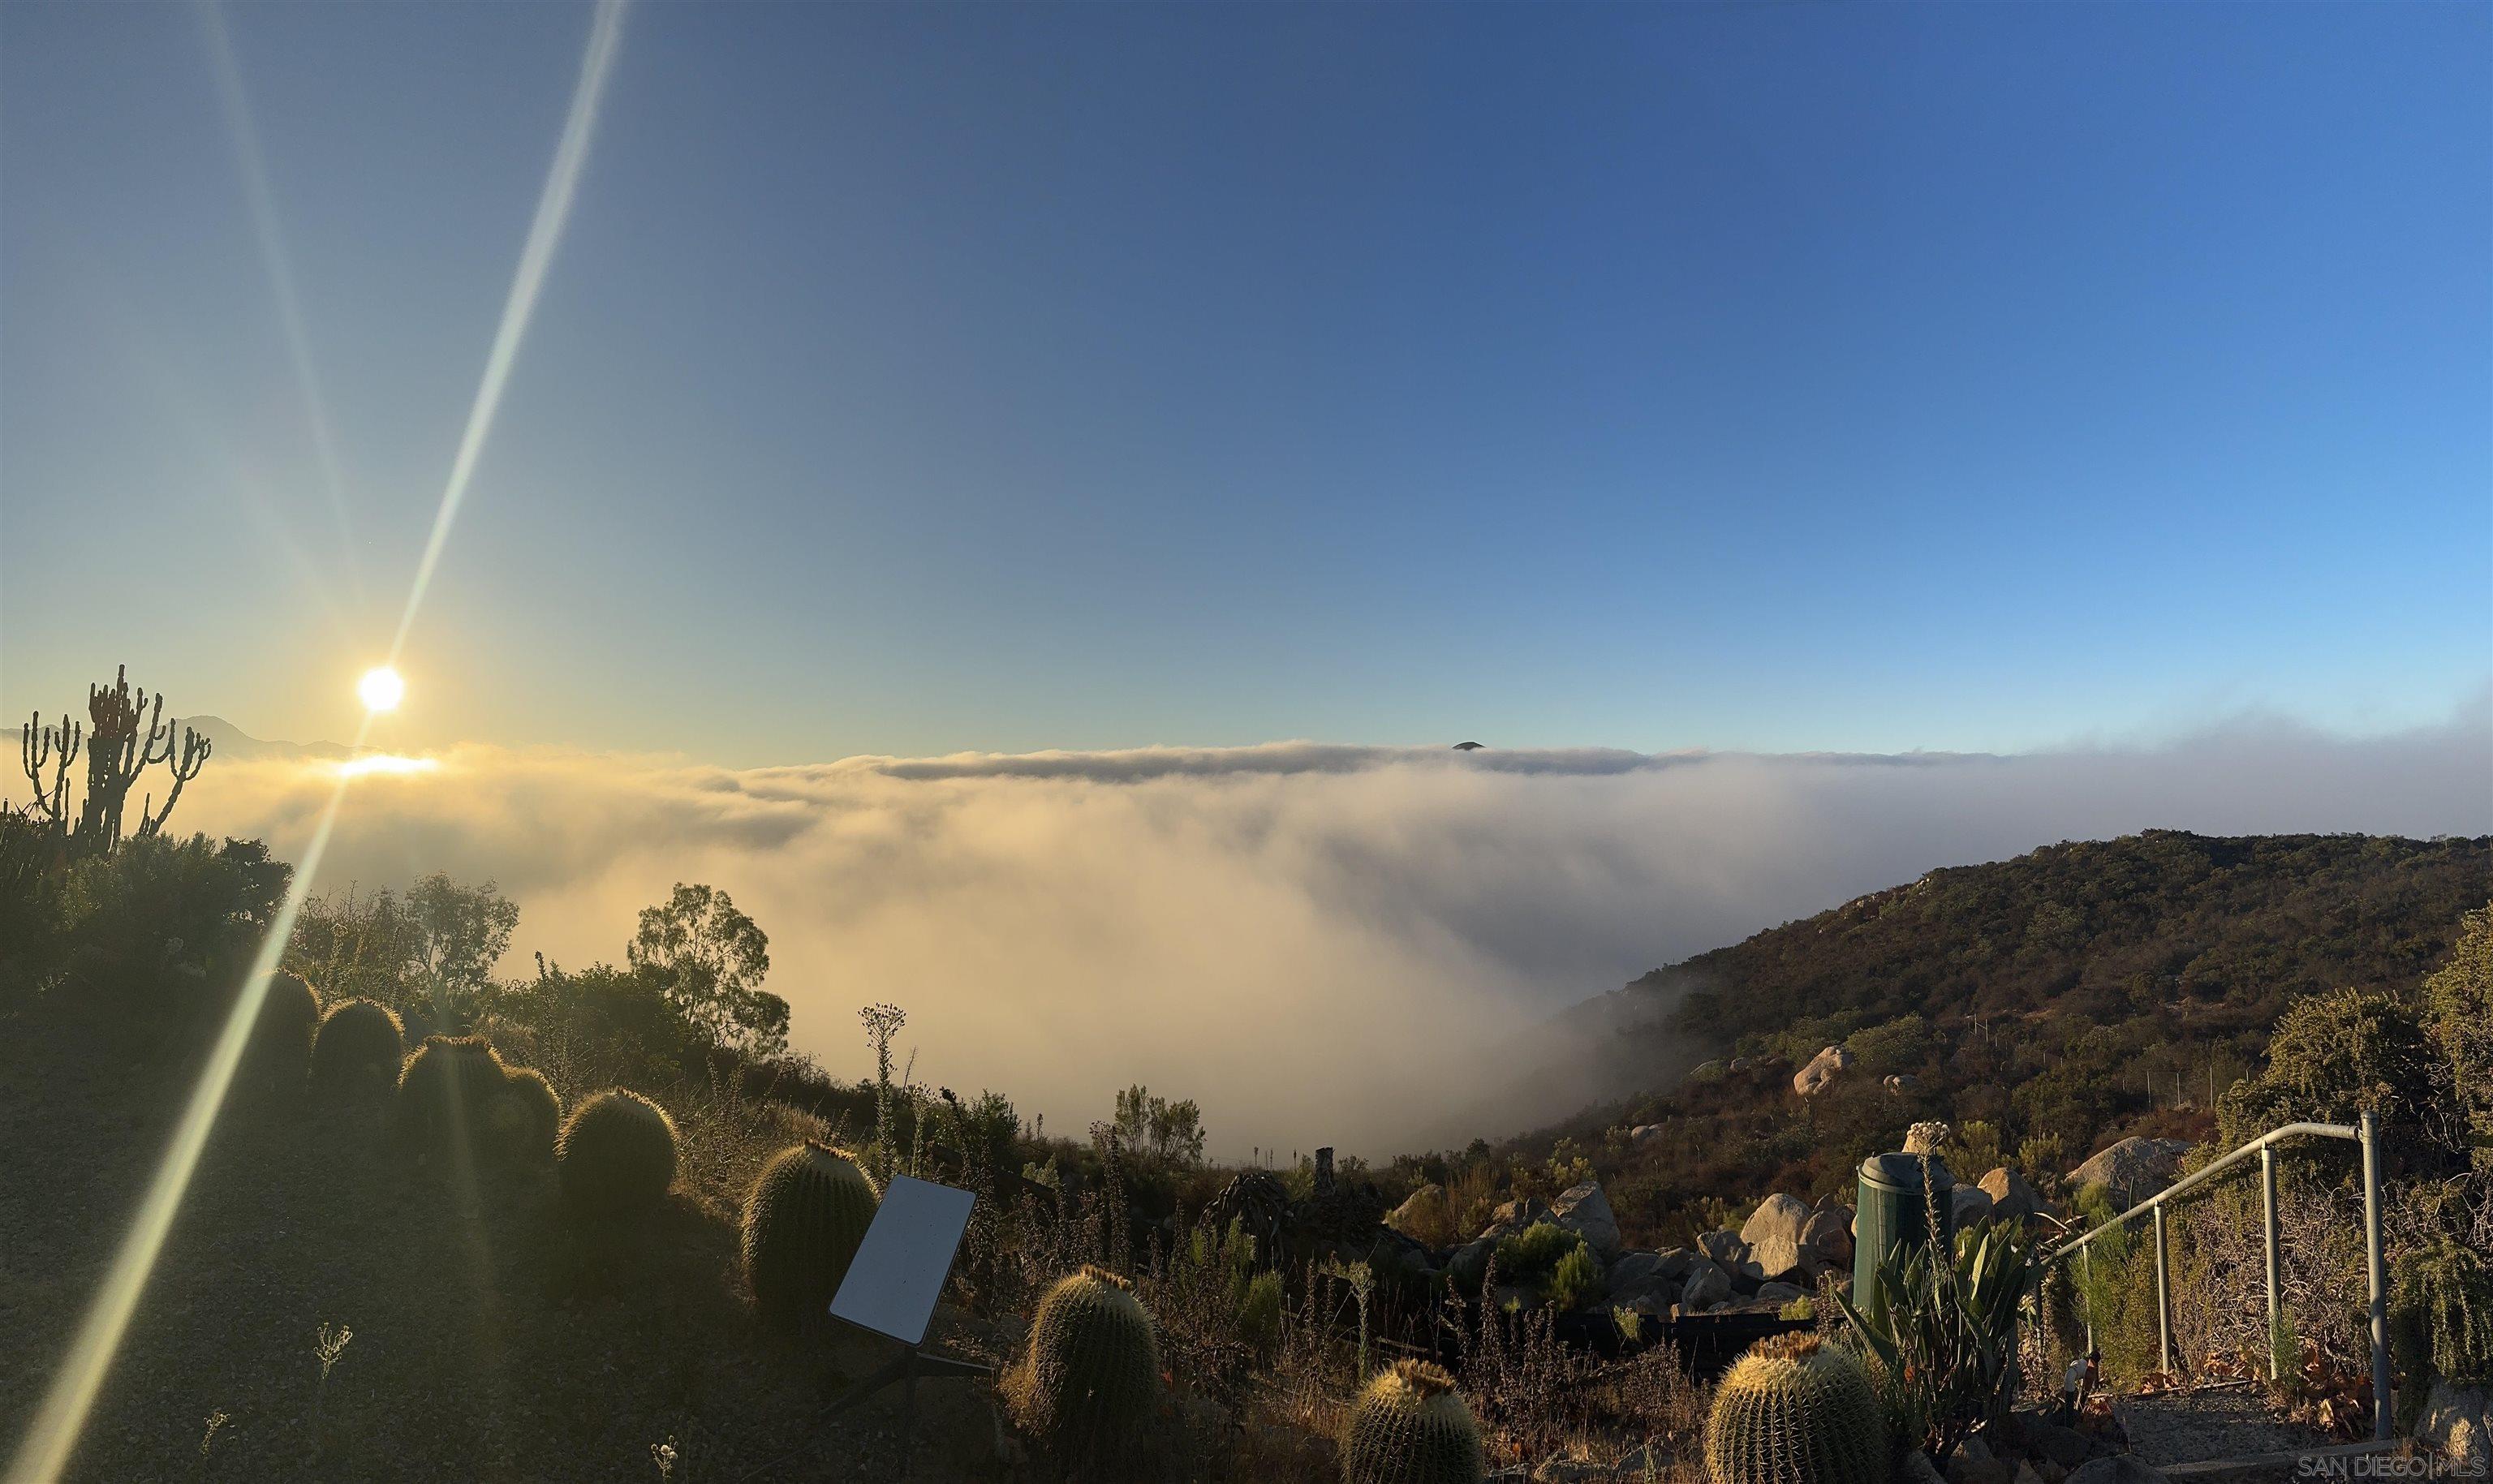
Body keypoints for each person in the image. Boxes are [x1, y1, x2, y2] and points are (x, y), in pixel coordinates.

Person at [2057, 1349, 2101, 1423]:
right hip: (2071, 1379)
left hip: (2072, 1379)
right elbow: (2088, 1382)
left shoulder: (2084, 1365)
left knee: (2071, 1403)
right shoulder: (2086, 1367)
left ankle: (2073, 1418)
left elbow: (2088, 1384)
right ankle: (2070, 1421)